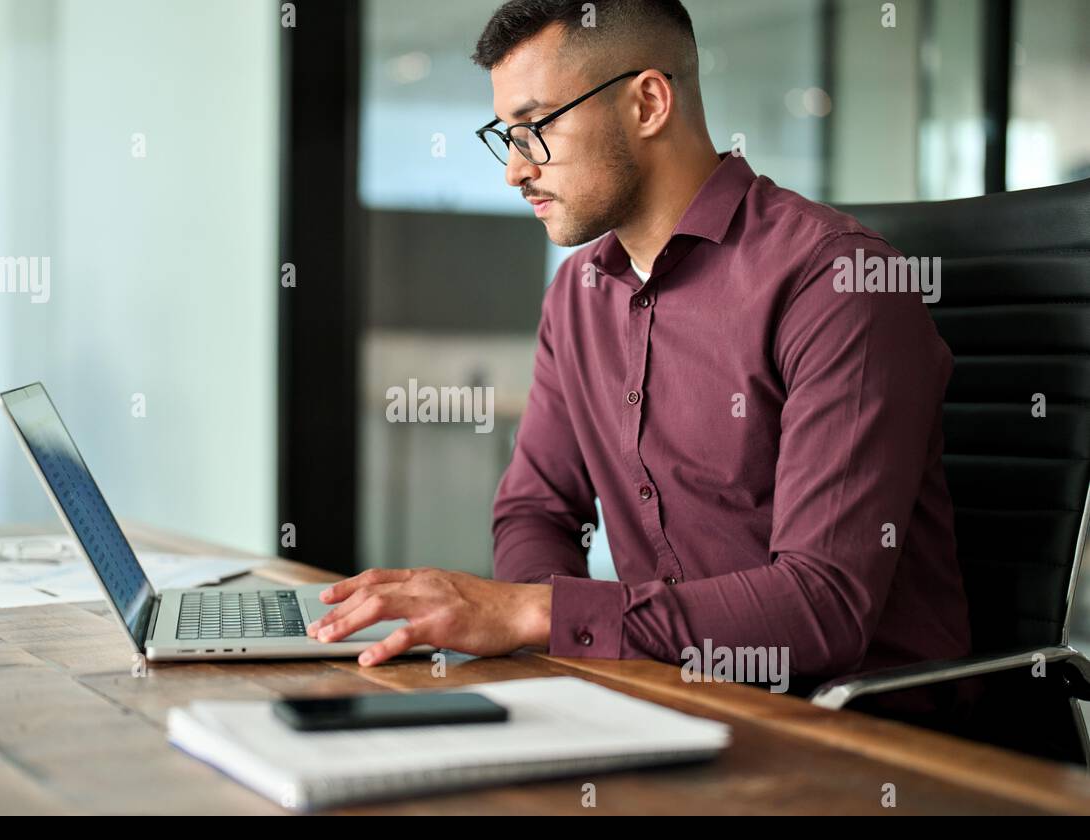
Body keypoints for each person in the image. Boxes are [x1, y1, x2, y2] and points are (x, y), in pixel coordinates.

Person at [306, 0, 969, 708]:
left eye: (536, 128)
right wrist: (559, 661)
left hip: (858, 736)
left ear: (649, 102)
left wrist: (540, 613)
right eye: (506, 136)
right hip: (661, 699)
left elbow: (822, 605)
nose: (514, 171)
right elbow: (536, 510)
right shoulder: (578, 295)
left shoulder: (836, 284)